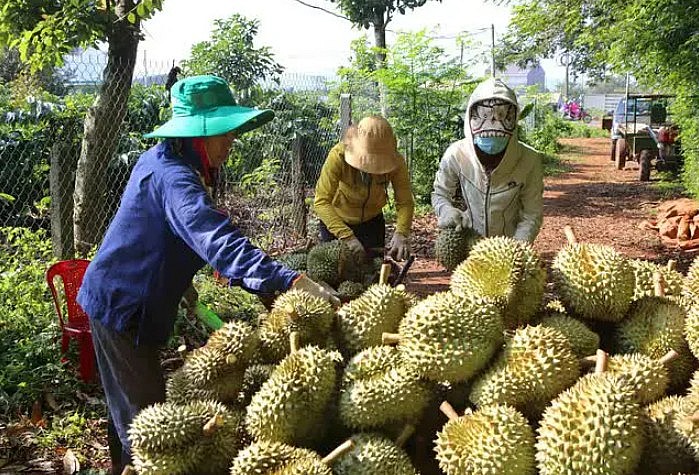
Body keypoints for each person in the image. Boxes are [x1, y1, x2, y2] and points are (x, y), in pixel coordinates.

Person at [76, 75, 339, 474]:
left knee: (131, 410)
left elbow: (163, 235)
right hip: (122, 304)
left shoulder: (170, 161)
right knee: (148, 428)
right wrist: (290, 280)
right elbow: (216, 240)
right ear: (196, 135)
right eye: (222, 132)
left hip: (136, 299)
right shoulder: (175, 177)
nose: (231, 141)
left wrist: (183, 287)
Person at [432, 77, 543, 243]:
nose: (492, 122)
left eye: (501, 116)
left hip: (509, 244)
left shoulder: (529, 160)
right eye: (483, 116)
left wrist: (518, 247)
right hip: (468, 241)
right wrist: (445, 210)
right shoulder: (456, 154)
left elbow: (531, 213)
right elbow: (440, 193)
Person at [313, 115, 414, 260]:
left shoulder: (396, 162)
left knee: (372, 273)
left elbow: (405, 202)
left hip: (371, 222)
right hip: (337, 220)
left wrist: (401, 233)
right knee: (337, 276)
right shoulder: (338, 156)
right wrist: (347, 237)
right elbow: (321, 202)